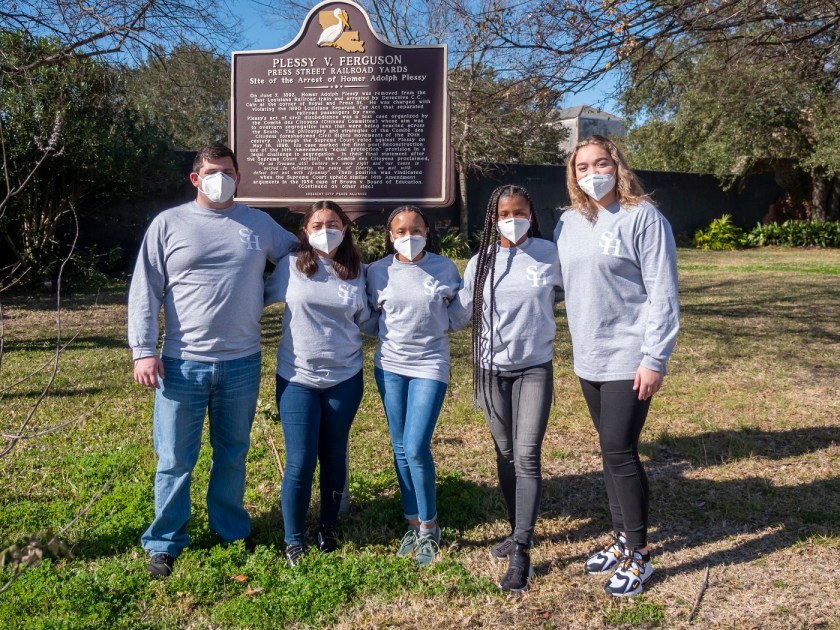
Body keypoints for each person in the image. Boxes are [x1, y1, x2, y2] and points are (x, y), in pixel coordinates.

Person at [128, 142, 297, 578]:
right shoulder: (169, 224)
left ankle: (231, 530)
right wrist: (143, 350)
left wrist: (272, 293)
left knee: (233, 452)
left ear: (238, 177)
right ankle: (165, 541)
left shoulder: (257, 223)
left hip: (241, 362)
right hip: (180, 363)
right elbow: (144, 289)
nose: (219, 177)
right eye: (211, 171)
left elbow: (302, 256)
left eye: (227, 170)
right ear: (195, 178)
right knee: (174, 458)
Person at [555, 135, 679, 597]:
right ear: (573, 176)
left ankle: (640, 556)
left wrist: (654, 358)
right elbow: (557, 284)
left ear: (618, 166)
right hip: (588, 357)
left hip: (629, 358)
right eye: (582, 167)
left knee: (620, 452)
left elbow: (663, 291)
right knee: (609, 453)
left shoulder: (643, 218)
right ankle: (622, 539)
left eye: (600, 163)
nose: (592, 174)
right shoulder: (569, 222)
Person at [450, 185, 562, 593]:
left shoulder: (551, 254)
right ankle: (517, 528)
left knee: (528, 455)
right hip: (489, 371)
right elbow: (460, 314)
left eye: (519, 211)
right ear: (491, 218)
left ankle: (522, 550)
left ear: (532, 213)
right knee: (506, 452)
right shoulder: (479, 262)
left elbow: (570, 294)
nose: (511, 218)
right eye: (503, 213)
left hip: (534, 369)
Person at [264, 200, 370, 567]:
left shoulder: (359, 271)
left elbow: (370, 318)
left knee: (334, 455)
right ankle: (293, 540)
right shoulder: (291, 267)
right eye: (318, 224)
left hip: (344, 377)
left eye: (334, 223)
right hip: (297, 378)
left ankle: (328, 527)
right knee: (300, 460)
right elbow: (252, 301)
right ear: (305, 231)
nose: (326, 230)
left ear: (345, 227)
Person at [366, 206, 462, 566]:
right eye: (401, 231)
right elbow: (370, 316)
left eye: (416, 229)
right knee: (399, 447)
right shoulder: (377, 272)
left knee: (416, 445)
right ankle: (411, 521)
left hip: (430, 365)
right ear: (390, 236)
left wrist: (442, 327)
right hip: (389, 366)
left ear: (426, 231)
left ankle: (430, 527)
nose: (409, 236)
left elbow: (460, 309)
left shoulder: (445, 268)